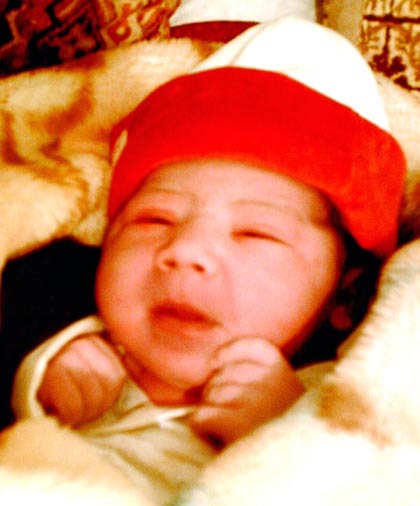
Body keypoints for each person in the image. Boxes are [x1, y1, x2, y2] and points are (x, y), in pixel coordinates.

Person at [11, 16, 406, 506]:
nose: (185, 251)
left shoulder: (343, 401)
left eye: (255, 233)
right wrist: (38, 381)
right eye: (153, 219)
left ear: (346, 295)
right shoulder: (63, 341)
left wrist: (288, 436)